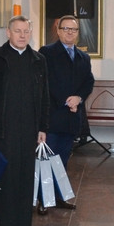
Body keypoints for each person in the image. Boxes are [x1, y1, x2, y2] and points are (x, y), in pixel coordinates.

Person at [0, 15, 49, 226]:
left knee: (25, 176)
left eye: (26, 31)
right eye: (17, 31)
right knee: (7, 176)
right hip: (2, 129)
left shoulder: (38, 60)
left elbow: (44, 96)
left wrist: (42, 128)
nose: (22, 35)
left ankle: (20, 223)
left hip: (28, 128)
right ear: (8, 33)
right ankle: (8, 225)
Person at [39, 14, 93, 212]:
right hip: (52, 115)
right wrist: (66, 99)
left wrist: (78, 98)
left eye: (74, 29)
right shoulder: (47, 52)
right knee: (47, 159)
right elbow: (45, 82)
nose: (70, 32)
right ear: (59, 31)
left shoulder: (83, 57)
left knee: (62, 159)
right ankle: (44, 200)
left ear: (78, 33)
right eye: (66, 29)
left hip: (72, 117)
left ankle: (60, 197)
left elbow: (88, 82)